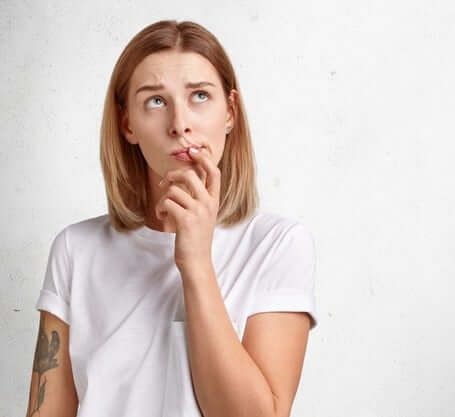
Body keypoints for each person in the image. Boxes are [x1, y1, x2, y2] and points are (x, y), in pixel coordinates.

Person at [25, 20, 318, 417]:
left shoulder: (277, 244)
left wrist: (195, 262)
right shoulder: (76, 249)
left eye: (200, 95)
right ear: (128, 124)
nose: (180, 123)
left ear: (230, 112)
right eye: (156, 101)